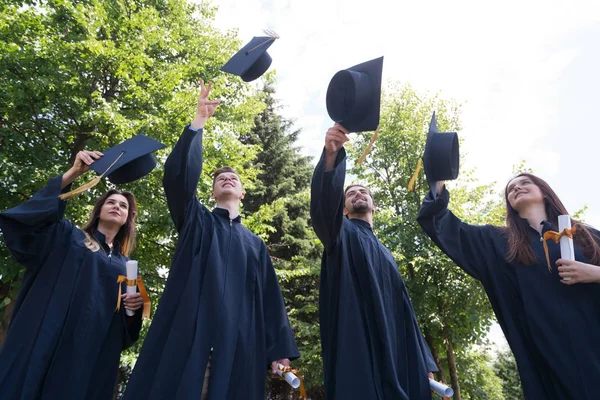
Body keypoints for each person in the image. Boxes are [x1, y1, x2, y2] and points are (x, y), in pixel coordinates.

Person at [123, 79, 300, 400]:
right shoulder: (197, 221)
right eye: (220, 178)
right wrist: (198, 123)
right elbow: (177, 179)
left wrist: (279, 350)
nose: (227, 178)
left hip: (238, 349)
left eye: (233, 177)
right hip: (190, 341)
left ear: (242, 192)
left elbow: (271, 301)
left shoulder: (255, 245)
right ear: (212, 191)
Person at [417, 173, 600, 399]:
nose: (516, 188)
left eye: (525, 183)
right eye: (511, 189)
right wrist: (438, 181)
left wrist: (595, 273)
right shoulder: (498, 243)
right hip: (546, 359)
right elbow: (443, 226)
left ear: (543, 191)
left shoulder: (585, 236)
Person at [0, 150, 144, 400]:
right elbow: (28, 224)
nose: (116, 206)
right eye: (110, 202)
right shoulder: (69, 236)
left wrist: (134, 310)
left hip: (88, 356)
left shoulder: (128, 268)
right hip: (47, 339)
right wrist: (73, 174)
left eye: (123, 206)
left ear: (127, 219)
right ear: (99, 210)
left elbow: (127, 329)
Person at [310, 123, 438, 400]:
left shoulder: (386, 253)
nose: (357, 194)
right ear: (343, 209)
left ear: (374, 205)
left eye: (363, 192)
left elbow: (406, 310)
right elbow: (322, 208)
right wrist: (331, 157)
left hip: (397, 352)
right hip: (358, 342)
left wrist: (424, 362)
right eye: (350, 193)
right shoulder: (339, 235)